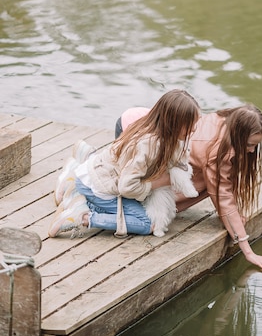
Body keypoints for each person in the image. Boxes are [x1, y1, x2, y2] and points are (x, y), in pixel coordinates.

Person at [116, 104, 262, 271]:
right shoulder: (217, 151)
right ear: (238, 134)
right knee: (149, 209)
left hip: (141, 117)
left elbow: (225, 184)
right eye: (249, 145)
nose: (252, 151)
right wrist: (248, 251)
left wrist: (234, 217)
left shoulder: (226, 121)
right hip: (132, 129)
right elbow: (222, 196)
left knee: (204, 181)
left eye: (255, 146)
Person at [48, 89, 201, 238]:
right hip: (98, 186)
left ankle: (79, 166)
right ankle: (82, 215)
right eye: (189, 124)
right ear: (174, 122)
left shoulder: (157, 132)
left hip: (101, 173)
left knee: (145, 208)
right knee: (147, 223)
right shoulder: (149, 146)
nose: (194, 129)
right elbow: (126, 187)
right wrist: (160, 182)